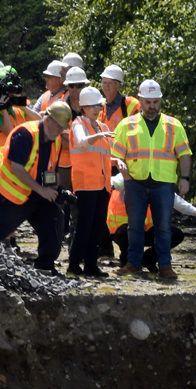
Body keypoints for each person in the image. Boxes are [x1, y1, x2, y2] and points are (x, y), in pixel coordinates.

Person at [110, 79, 192, 280]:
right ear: (141, 100)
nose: (152, 106)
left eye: (156, 102)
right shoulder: (126, 125)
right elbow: (117, 153)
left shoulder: (174, 125)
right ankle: (134, 263)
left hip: (163, 183)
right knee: (135, 226)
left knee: (163, 227)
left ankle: (165, 265)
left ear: (160, 101)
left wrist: (185, 178)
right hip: (135, 182)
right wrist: (120, 165)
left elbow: (185, 154)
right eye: (148, 102)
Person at [0, 100, 72, 274]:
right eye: (58, 127)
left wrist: (57, 189)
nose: (60, 132)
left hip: (34, 194)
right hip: (9, 193)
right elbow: (16, 169)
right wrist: (42, 190)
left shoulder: (54, 141)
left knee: (55, 219)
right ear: (48, 120)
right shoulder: (25, 134)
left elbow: (51, 171)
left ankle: (45, 265)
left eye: (63, 128)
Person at [0, 67, 40, 225]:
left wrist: (21, 104)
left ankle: (9, 238)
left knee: (9, 201)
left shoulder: (19, 106)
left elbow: (38, 121)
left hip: (11, 161)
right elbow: (11, 130)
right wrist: (3, 109)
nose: (10, 94)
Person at [107, 171, 196, 272]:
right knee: (127, 233)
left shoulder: (157, 181)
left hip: (147, 229)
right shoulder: (127, 175)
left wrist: (194, 211)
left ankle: (148, 259)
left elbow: (174, 199)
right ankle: (127, 261)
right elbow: (114, 182)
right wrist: (110, 185)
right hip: (122, 230)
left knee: (175, 234)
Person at [67, 86, 114, 277]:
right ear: (83, 107)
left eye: (99, 105)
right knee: (84, 225)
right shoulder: (78, 123)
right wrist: (98, 136)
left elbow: (103, 155)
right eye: (92, 106)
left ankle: (91, 264)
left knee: (98, 226)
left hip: (103, 184)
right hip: (86, 184)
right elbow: (81, 142)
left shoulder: (102, 127)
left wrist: (116, 161)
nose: (97, 109)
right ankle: (74, 263)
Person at [98, 65, 140, 130]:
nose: (106, 86)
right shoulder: (100, 106)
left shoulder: (130, 104)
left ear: (118, 86)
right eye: (104, 82)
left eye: (110, 83)